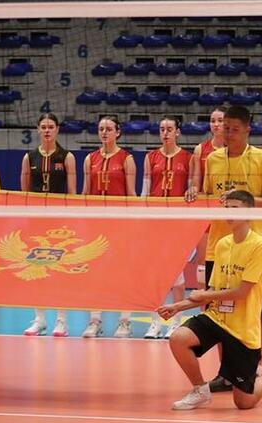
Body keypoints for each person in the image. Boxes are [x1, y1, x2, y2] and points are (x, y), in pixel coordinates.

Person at [158, 191, 262, 411]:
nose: (229, 213)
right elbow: (214, 289)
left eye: (235, 208)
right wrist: (177, 307)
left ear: (249, 213)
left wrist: (205, 296)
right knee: (178, 338)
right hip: (217, 318)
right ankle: (200, 390)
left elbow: (242, 292)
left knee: (243, 403)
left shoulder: (261, 247)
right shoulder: (222, 244)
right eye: (227, 208)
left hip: (243, 330)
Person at [188, 105, 262, 391]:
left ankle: (254, 369)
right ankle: (226, 374)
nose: (228, 133)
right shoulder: (213, 159)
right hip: (219, 247)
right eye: (224, 128)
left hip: (253, 249)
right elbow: (209, 197)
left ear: (247, 130)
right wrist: (194, 194)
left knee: (257, 311)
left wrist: (242, 199)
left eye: (234, 129)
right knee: (219, 311)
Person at [19, 113, 76, 338]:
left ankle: (62, 320)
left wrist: (69, 221)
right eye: (43, 127)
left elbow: (72, 193)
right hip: (36, 221)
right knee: (37, 269)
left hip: (59, 223)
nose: (47, 130)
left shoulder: (67, 157)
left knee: (59, 271)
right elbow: (24, 194)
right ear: (38, 129)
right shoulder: (29, 157)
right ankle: (40, 319)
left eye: (51, 126)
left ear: (57, 129)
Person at [81, 116, 138, 338]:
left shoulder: (126, 159)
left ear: (118, 132)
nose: (104, 132)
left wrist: (135, 221)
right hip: (96, 223)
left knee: (123, 271)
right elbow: (85, 192)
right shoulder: (90, 159)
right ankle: (95, 320)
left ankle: (125, 321)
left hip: (119, 222)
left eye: (109, 129)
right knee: (96, 272)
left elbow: (131, 193)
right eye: (101, 129)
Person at [142, 116, 193, 338]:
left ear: (177, 132)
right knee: (155, 274)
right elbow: (145, 192)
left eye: (169, 129)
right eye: (162, 129)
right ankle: (155, 322)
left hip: (177, 223)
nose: (165, 133)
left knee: (177, 276)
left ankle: (176, 321)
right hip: (155, 221)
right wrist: (142, 218)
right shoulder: (151, 157)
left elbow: (191, 192)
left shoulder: (188, 158)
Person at [188, 108, 227, 289]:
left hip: (229, 211)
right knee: (204, 262)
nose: (216, 124)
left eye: (220, 120)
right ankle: (203, 303)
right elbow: (196, 183)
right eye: (213, 121)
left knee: (227, 260)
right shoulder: (200, 149)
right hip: (207, 210)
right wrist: (192, 190)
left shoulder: (236, 149)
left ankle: (224, 301)